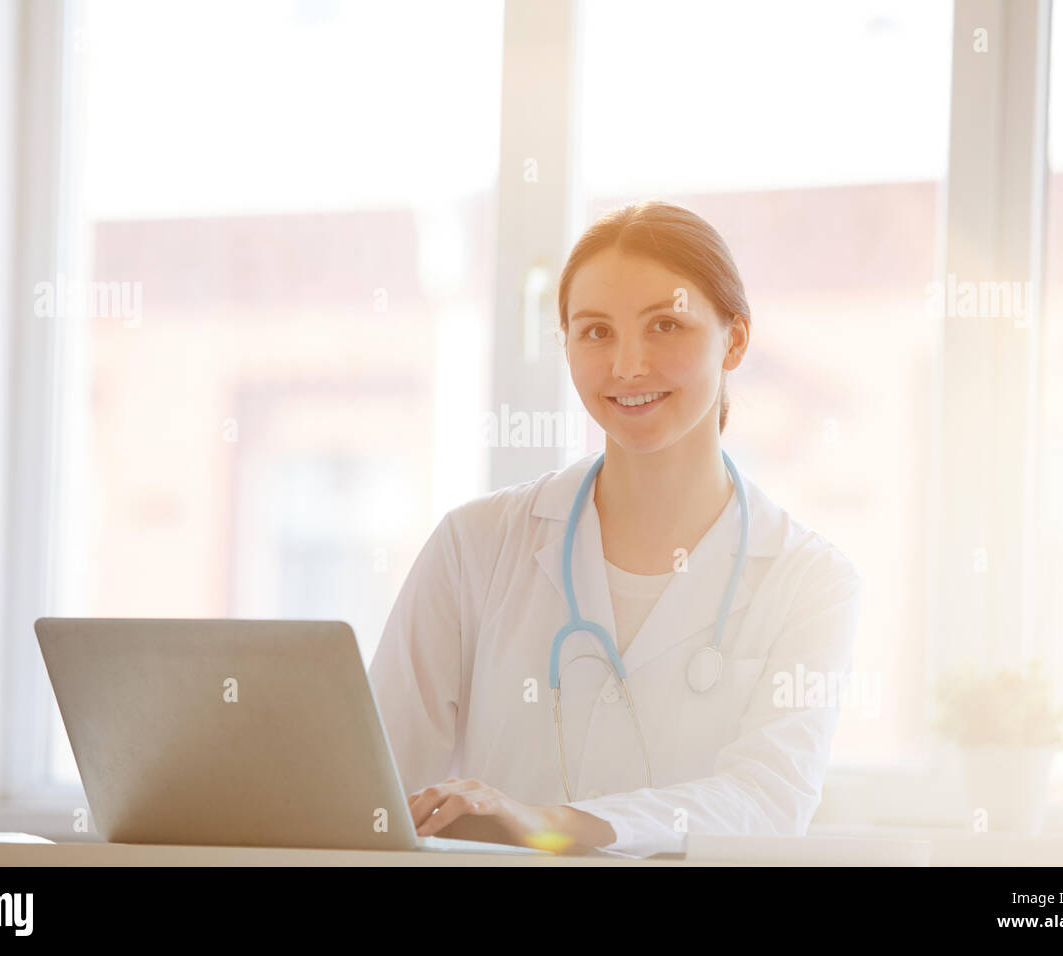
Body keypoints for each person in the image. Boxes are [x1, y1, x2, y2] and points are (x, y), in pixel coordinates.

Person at [368, 200, 862, 858]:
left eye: (665, 325)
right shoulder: (474, 547)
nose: (628, 365)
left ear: (735, 339)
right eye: (596, 332)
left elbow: (767, 800)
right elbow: (375, 785)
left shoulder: (809, 580)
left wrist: (549, 824)